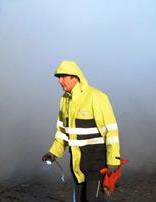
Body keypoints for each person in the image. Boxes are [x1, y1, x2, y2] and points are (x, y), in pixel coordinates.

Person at [42, 60, 122, 201]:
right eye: (58, 78)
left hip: (96, 163)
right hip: (77, 166)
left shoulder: (96, 97)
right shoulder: (64, 100)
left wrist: (113, 160)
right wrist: (53, 152)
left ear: (74, 77)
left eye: (63, 77)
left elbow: (111, 132)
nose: (60, 81)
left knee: (92, 199)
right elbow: (62, 132)